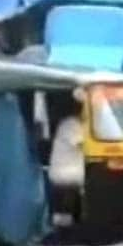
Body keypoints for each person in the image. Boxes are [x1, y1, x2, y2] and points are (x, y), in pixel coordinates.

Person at [48, 95, 84, 226]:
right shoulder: (71, 124)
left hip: (74, 168)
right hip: (66, 171)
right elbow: (83, 145)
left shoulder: (78, 124)